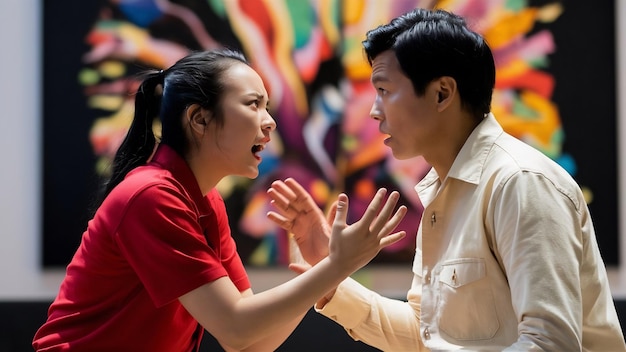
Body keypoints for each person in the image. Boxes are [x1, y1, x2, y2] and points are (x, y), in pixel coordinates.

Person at [266, 8, 626, 351]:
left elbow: (550, 344)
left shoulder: (520, 182)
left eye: (384, 90)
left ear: (442, 93)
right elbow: (426, 335)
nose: (374, 111)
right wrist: (329, 279)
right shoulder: (445, 190)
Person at [32, 48, 409, 352]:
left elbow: (251, 343)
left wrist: (323, 264)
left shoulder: (204, 201)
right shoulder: (150, 196)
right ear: (199, 118)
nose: (270, 120)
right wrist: (338, 264)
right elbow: (236, 328)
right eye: (253, 104)